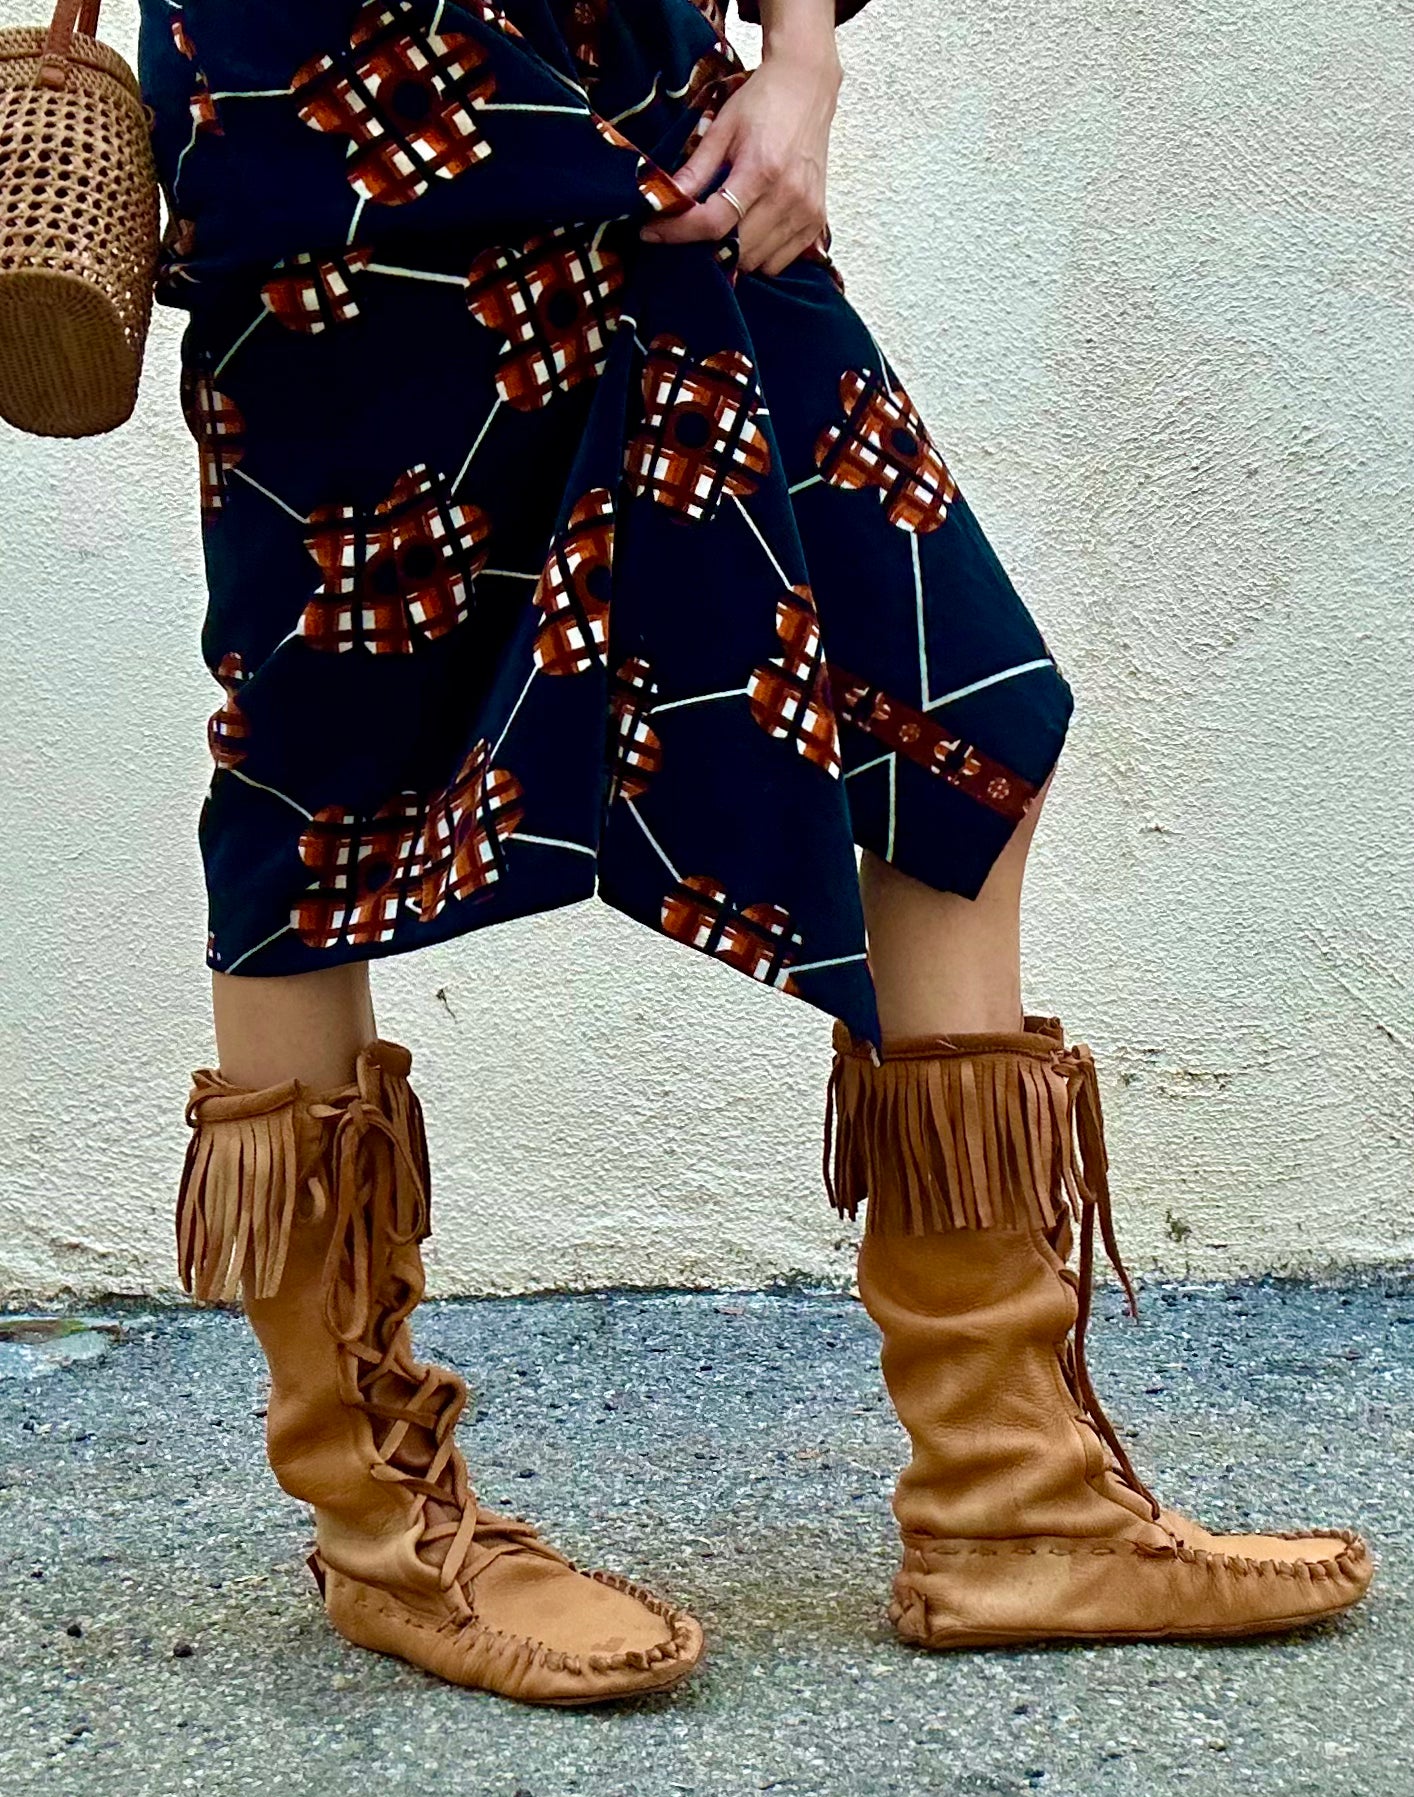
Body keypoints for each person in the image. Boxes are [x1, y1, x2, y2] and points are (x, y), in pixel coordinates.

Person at [142, 0, 1372, 1707]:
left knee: (960, 713)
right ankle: (378, 1525)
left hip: (655, 106)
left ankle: (1007, 1497)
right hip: (345, 114)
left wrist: (804, 56)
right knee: (316, 792)